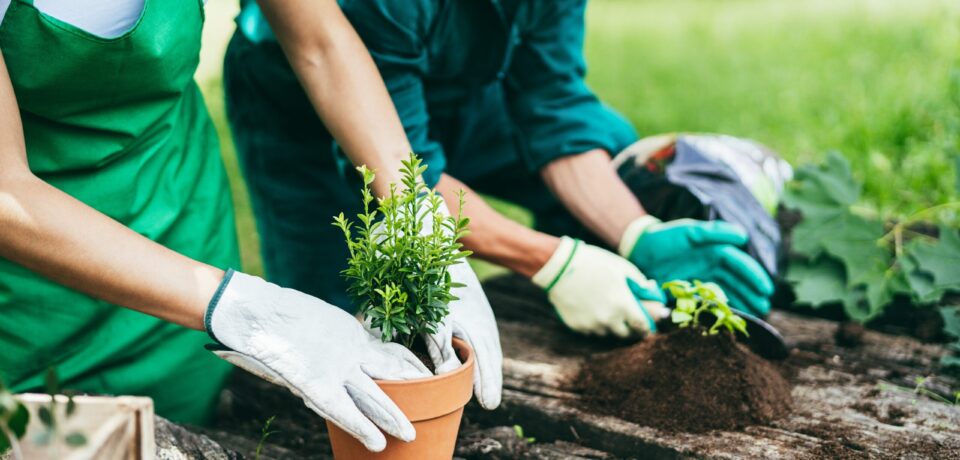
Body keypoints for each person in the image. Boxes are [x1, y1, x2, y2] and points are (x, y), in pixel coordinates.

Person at [0, 0, 500, 452]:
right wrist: (240, 309)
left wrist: (413, 213)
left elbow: (320, 40)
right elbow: (6, 191)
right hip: (36, 305)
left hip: (183, 236)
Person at [225, 0, 776, 339]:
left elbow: (552, 101)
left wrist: (636, 232)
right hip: (308, 111)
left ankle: (616, 291)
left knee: (609, 149)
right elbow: (403, 180)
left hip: (461, 82)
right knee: (348, 319)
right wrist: (554, 263)